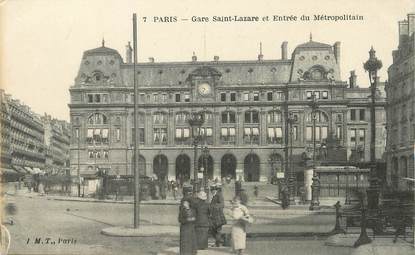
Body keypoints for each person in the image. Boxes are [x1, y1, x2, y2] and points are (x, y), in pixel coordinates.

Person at [179, 185, 197, 255]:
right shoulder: (192, 198)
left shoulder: (184, 199)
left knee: (185, 240)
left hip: (186, 225)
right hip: (190, 224)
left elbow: (181, 217)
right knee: (191, 240)